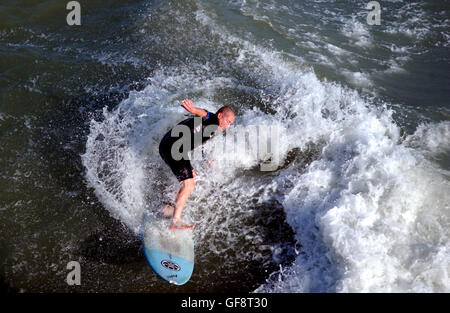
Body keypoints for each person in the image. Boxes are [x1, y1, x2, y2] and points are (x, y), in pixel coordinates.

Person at [158, 99, 235, 230]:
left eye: (230, 124)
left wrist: (207, 158)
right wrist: (193, 110)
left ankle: (167, 207)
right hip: (174, 148)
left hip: (170, 146)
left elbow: (200, 141)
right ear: (220, 116)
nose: (227, 126)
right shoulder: (213, 121)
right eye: (227, 121)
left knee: (189, 178)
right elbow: (205, 113)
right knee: (190, 184)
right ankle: (175, 221)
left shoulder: (211, 128)